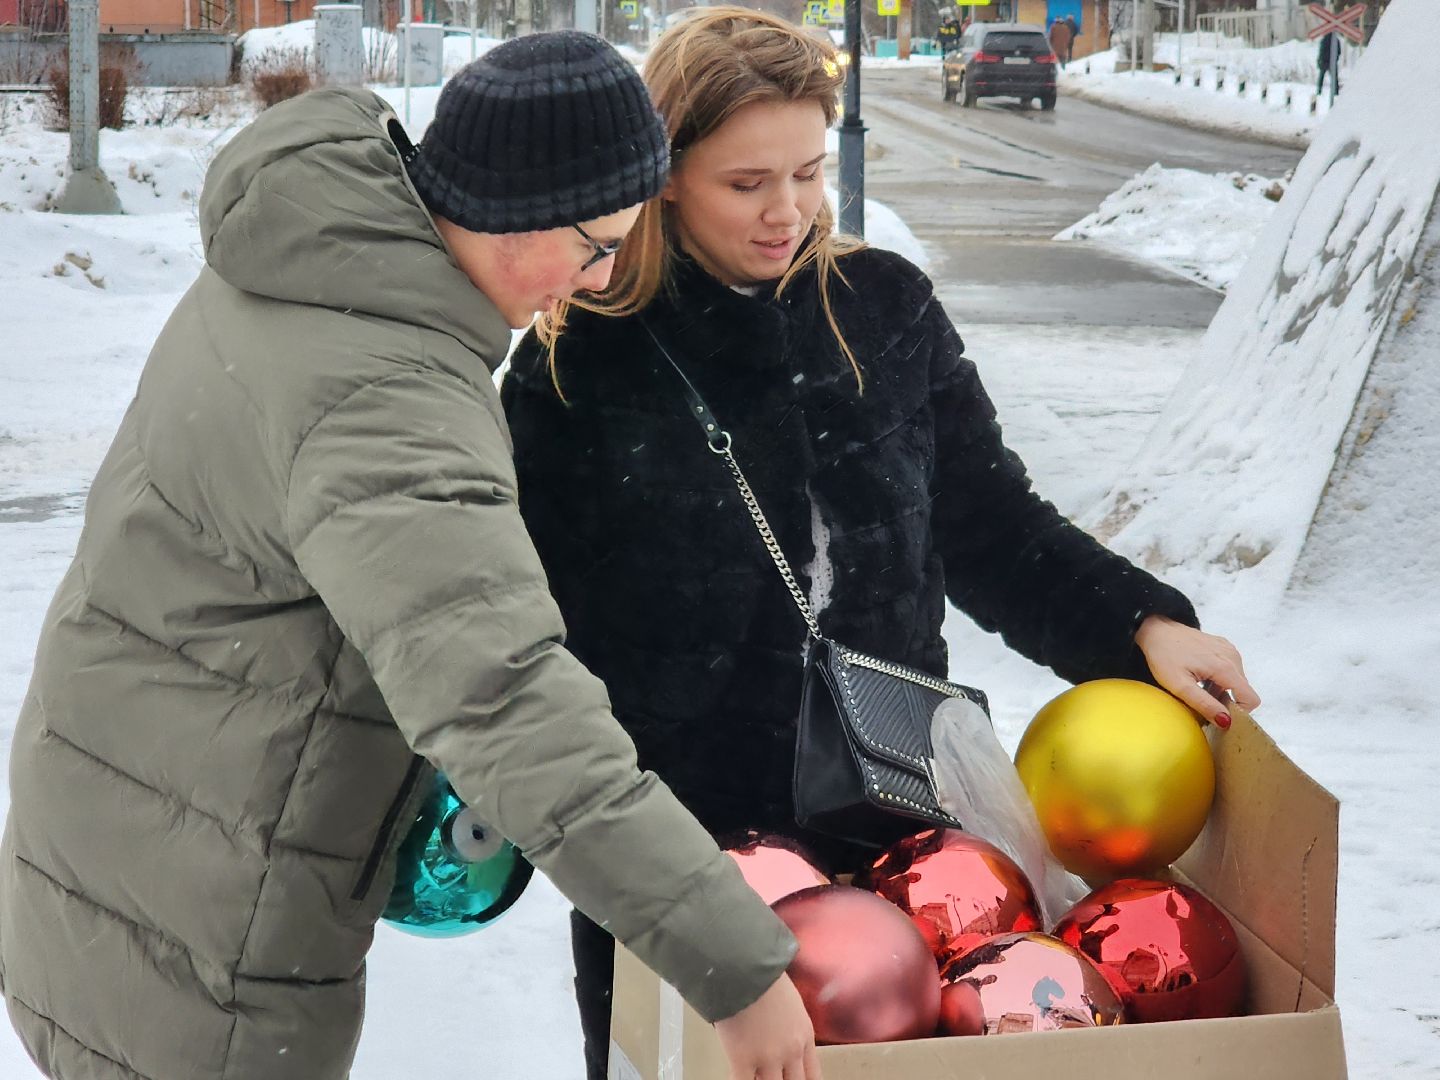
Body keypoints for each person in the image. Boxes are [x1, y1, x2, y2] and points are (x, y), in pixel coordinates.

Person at [0, 32, 823, 1080]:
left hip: (117, 828)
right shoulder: (388, 402)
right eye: (594, 242)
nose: (603, 274)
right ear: (512, 209)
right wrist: (737, 972)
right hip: (201, 919)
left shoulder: (319, 258)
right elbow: (505, 700)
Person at [501, 8, 1260, 1078]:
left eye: (809, 172)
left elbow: (995, 525)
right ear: (664, 174)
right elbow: (521, 634)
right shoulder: (580, 363)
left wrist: (1139, 624)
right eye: (747, 182)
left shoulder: (884, 311)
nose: (789, 212)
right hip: (678, 856)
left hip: (898, 831)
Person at [1317, 30, 1342, 97]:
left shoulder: (1324, 40)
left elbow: (1321, 51)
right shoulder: (1336, 40)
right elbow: (1339, 51)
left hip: (1324, 61)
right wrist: (1336, 58)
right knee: (1334, 78)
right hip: (1333, 62)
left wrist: (1320, 60)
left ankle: (1319, 90)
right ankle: (1336, 91)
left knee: (1321, 77)